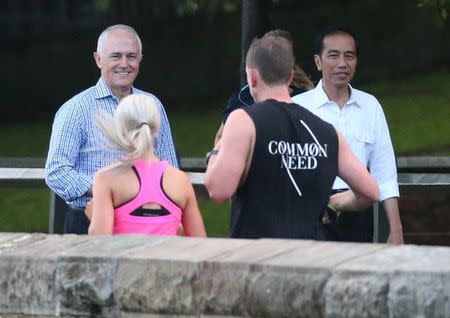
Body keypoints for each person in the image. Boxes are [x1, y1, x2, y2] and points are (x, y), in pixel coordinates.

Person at [204, 34, 379, 240]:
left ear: (252, 76)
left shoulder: (243, 121)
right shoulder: (327, 131)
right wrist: (334, 203)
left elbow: (218, 190)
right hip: (309, 257)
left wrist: (216, 151)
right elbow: (371, 192)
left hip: (257, 258)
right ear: (289, 78)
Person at [45, 24, 178, 235]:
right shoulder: (76, 109)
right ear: (98, 59)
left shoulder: (152, 105)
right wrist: (108, 188)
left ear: (140, 59)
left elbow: (170, 167)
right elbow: (56, 171)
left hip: (146, 224)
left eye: (131, 56)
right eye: (116, 56)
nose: (124, 64)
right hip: (88, 222)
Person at [292, 26, 403, 244]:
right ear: (318, 61)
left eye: (349, 56)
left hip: (358, 212)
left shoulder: (371, 106)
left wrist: (396, 228)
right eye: (333, 55)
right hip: (310, 211)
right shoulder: (297, 108)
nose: (342, 63)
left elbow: (385, 172)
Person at [84, 94, 206, 236]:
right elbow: (199, 240)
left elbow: (100, 242)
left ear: (120, 129)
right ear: (156, 128)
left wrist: (95, 217)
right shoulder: (180, 180)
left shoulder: (106, 178)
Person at [215, 29, 314, 144]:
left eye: (282, 53)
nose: (275, 57)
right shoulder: (242, 98)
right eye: (270, 50)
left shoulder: (304, 98)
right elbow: (221, 138)